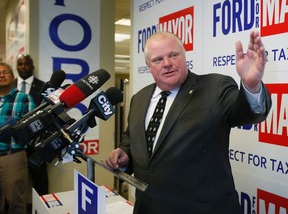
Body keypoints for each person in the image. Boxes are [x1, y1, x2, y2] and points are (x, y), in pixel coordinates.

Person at [105, 31, 272, 214]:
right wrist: (125, 154)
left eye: (173, 55)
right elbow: (133, 138)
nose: (167, 64)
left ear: (184, 56)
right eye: (158, 59)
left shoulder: (215, 87)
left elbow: (245, 112)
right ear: (148, 65)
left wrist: (251, 85)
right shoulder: (139, 98)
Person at [0, 62, 35, 214]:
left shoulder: (25, 98)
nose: (1, 75)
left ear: (13, 77)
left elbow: (32, 130)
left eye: (5, 72)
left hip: (12, 156)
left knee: (16, 203)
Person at [15, 54, 49, 198]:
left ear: (32, 67)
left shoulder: (43, 87)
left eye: (26, 64)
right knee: (13, 184)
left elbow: (48, 113)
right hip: (14, 145)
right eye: (20, 64)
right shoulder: (8, 87)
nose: (23, 67)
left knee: (40, 184)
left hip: (36, 144)